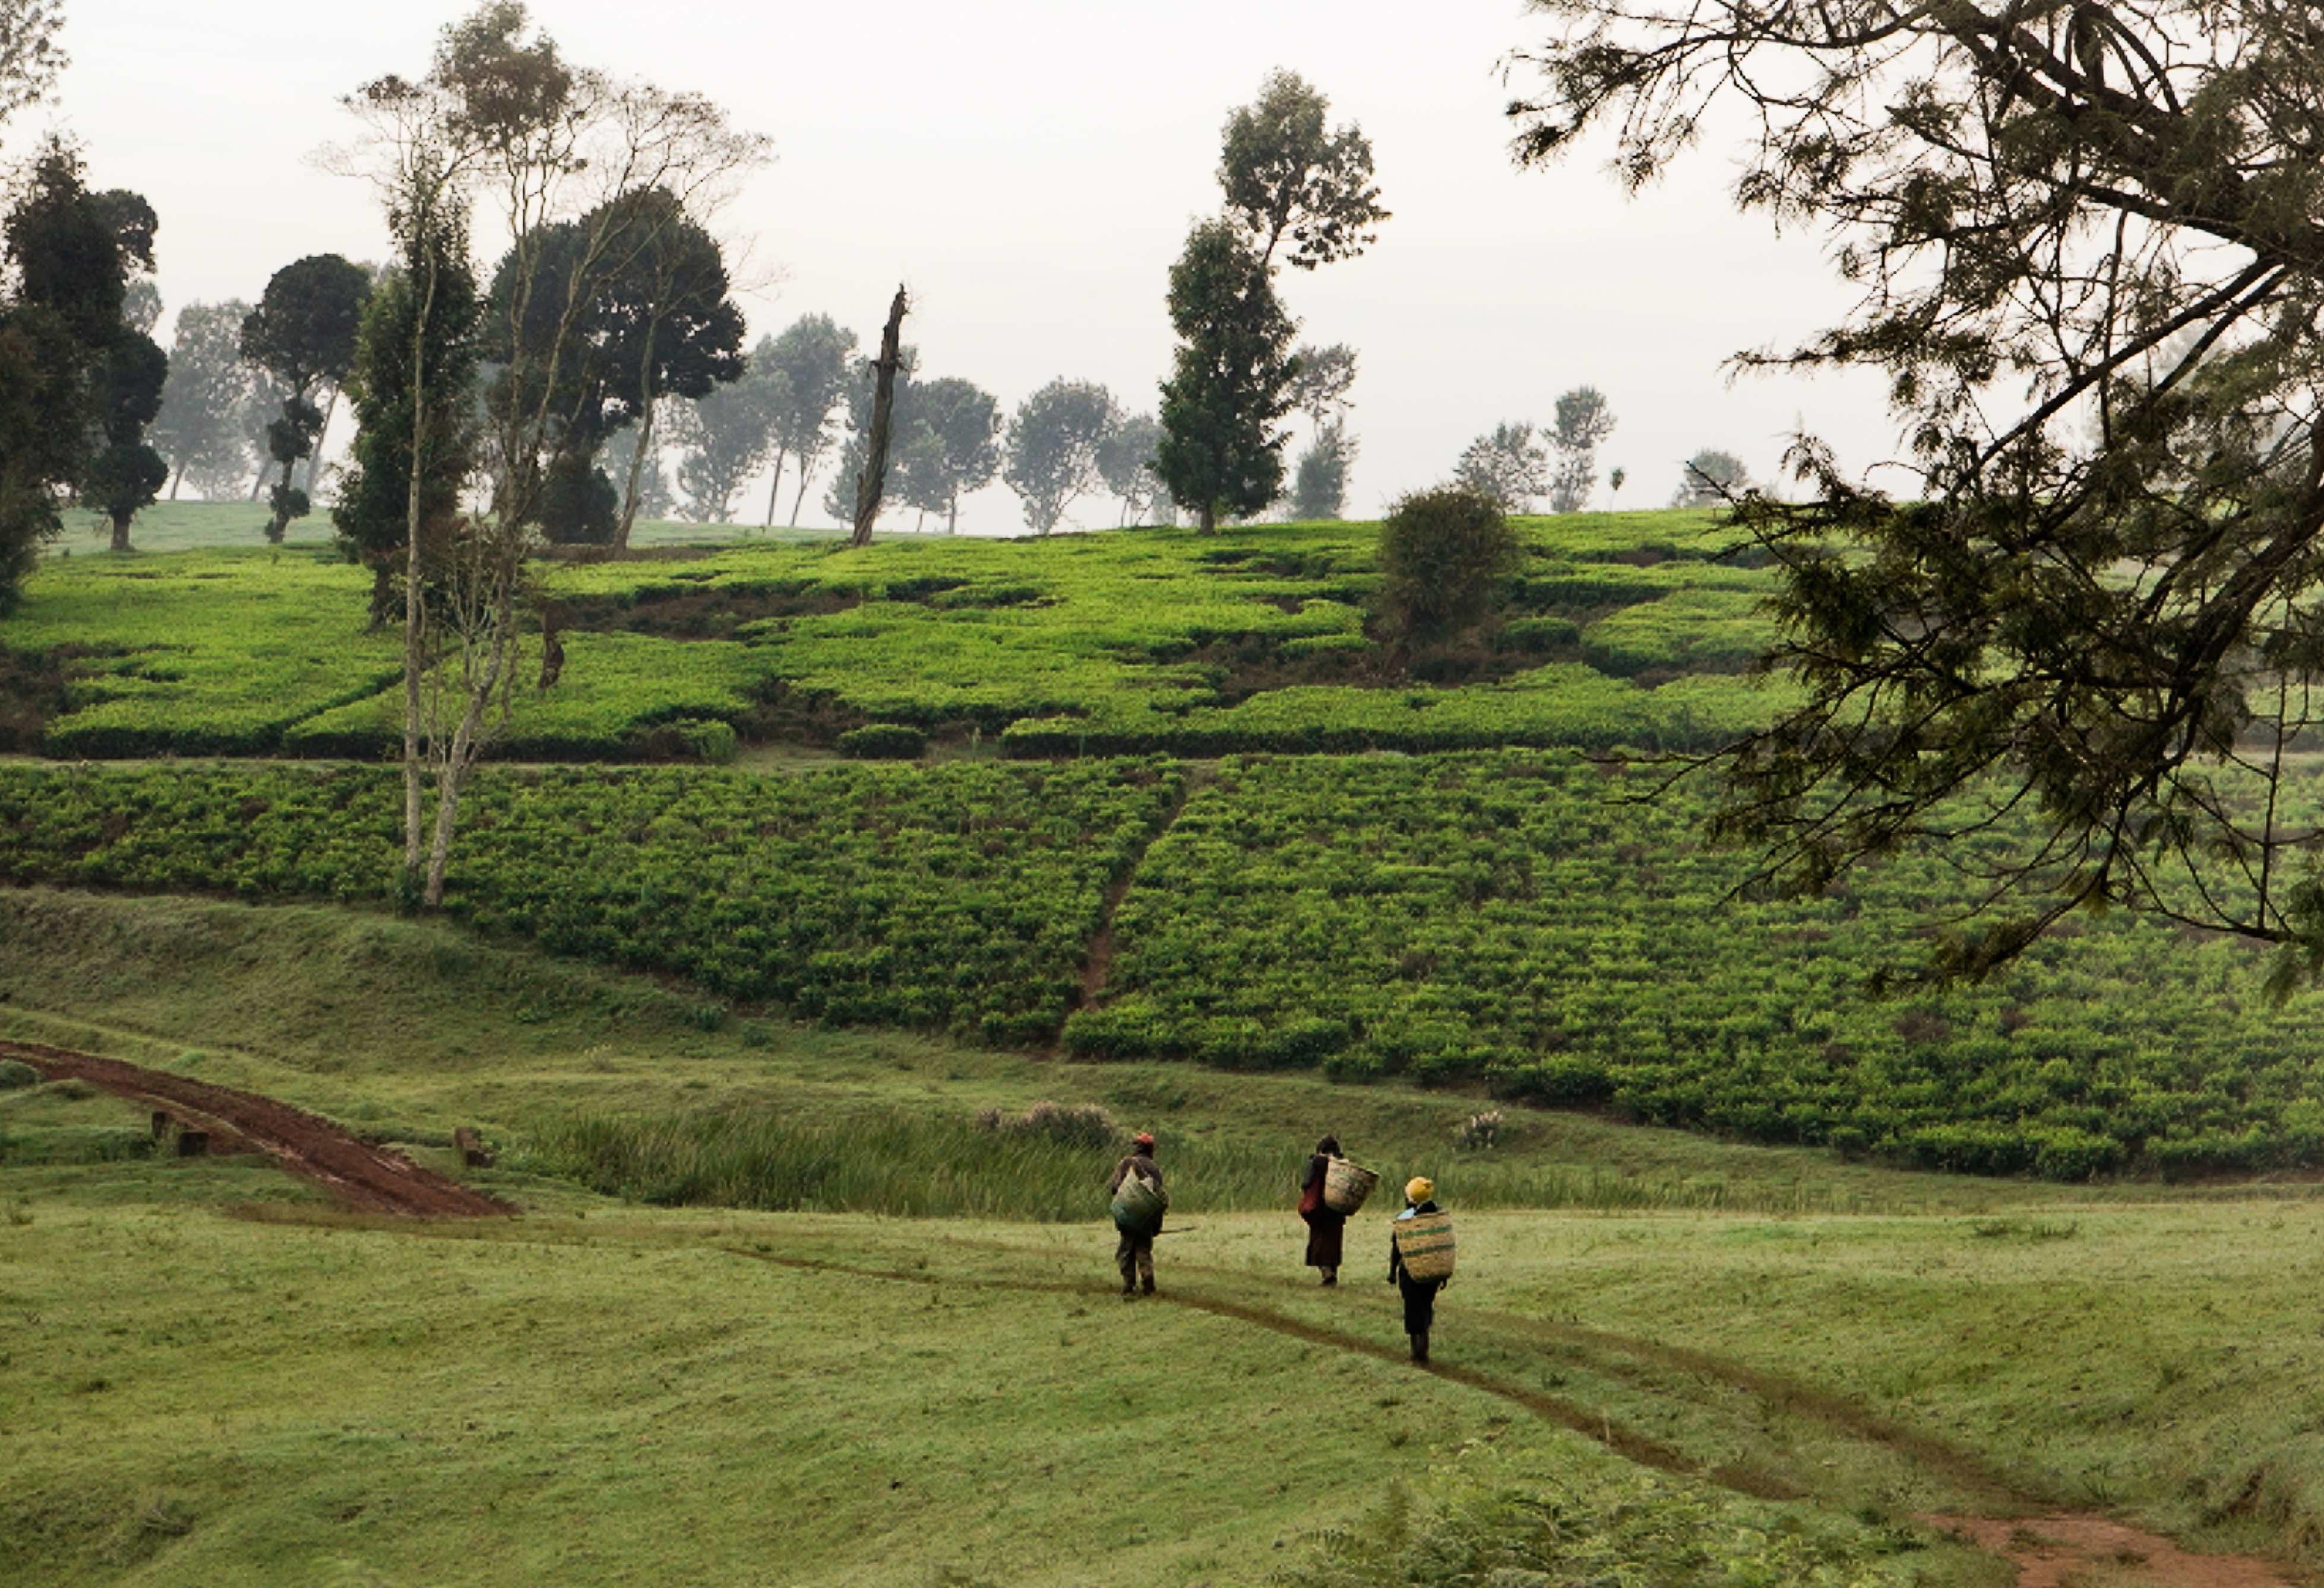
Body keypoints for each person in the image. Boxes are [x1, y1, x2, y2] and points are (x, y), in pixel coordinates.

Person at [1388, 1176, 1448, 1364]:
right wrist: (1443, 1273)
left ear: (1411, 1197)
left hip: (1411, 1271)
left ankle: (1418, 1351)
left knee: (1413, 1309)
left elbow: (1397, 1249)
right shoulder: (1438, 1216)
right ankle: (1424, 1346)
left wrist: (1392, 1272)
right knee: (1425, 1305)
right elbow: (1444, 1246)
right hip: (1433, 1271)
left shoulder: (1405, 1218)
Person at [1108, 1131, 1163, 1297]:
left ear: (1138, 1147)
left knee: (1126, 1250)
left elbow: (1115, 1187)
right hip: (1146, 1217)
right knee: (1143, 1249)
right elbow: (1158, 1196)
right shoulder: (1155, 1169)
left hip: (1128, 1216)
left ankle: (1129, 1284)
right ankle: (1148, 1280)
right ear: (1151, 1149)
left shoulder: (1127, 1163)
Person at [1298, 1134, 1346, 1286]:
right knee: (1334, 1243)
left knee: (1319, 1242)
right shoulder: (1343, 1165)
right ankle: (1333, 1273)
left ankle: (1327, 1273)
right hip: (1337, 1210)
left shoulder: (1317, 1163)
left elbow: (1306, 1183)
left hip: (1320, 1209)